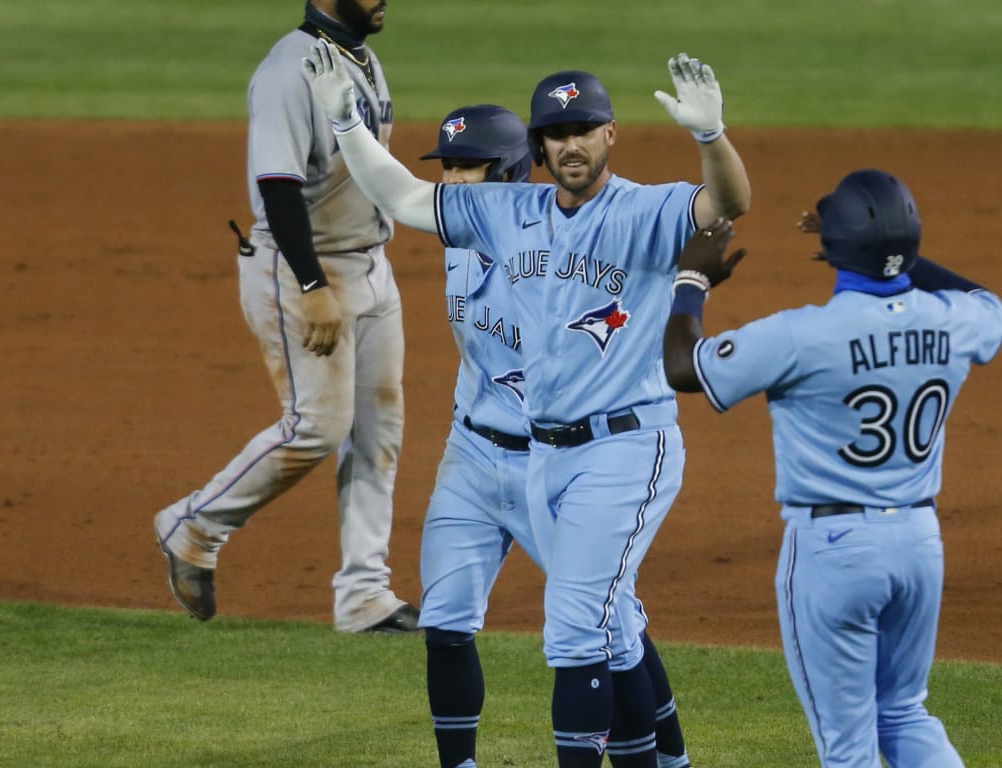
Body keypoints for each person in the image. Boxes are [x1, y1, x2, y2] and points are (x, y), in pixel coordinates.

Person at [300, 44, 750, 767]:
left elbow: (727, 203)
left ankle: (666, 759)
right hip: (524, 452)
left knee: (590, 630)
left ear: (609, 135)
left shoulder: (645, 209)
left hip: (619, 444)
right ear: (538, 148)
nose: (571, 145)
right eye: (557, 134)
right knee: (572, 627)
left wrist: (709, 136)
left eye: (585, 129)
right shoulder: (503, 216)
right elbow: (402, 195)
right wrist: (347, 122)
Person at [661, 169, 1002, 768]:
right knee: (903, 711)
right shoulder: (952, 322)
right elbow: (988, 302)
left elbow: (684, 368)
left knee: (847, 750)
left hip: (835, 551)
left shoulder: (804, 334)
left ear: (834, 249)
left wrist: (691, 280)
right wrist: (894, 258)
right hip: (919, 543)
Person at [416, 104, 695, 768]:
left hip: (555, 461)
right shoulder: (457, 246)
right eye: (446, 168)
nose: (452, 183)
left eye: (468, 168)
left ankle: (671, 760)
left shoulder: (554, 259)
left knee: (615, 632)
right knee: (445, 619)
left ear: (511, 173)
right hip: (474, 452)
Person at [153, 0, 419, 635]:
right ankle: (194, 525)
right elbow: (278, 184)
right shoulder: (287, 70)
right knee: (318, 428)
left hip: (369, 265)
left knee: (378, 433)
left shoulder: (361, 54)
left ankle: (365, 595)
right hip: (305, 268)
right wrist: (312, 284)